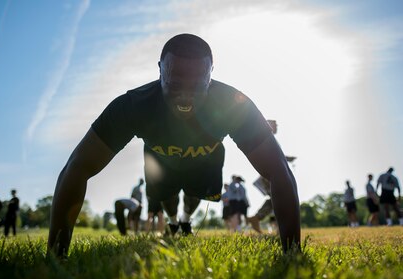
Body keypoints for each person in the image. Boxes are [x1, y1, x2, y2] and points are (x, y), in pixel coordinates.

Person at [48, 33, 300, 257]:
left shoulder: (234, 105)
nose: (185, 96)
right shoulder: (132, 107)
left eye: (196, 86)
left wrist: (292, 253)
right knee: (166, 198)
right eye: (175, 85)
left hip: (205, 160)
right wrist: (56, 255)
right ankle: (172, 221)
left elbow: (279, 170)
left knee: (193, 196)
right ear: (160, 70)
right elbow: (77, 167)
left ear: (211, 74)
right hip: (161, 161)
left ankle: (185, 221)